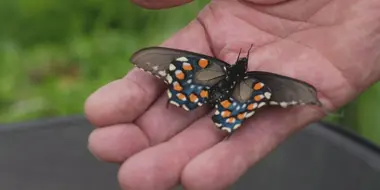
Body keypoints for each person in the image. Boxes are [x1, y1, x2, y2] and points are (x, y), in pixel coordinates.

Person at [84, 0, 380, 189]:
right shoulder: (257, 79)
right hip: (237, 95)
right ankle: (219, 109)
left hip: (220, 88)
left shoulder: (242, 75)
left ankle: (201, 100)